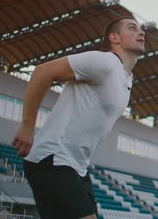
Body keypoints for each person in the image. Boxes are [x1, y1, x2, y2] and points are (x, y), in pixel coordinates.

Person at [11, 17, 146, 219]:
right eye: (133, 28)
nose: (142, 32)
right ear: (114, 37)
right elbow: (42, 71)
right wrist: (27, 125)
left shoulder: (126, 79)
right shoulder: (105, 61)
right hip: (52, 159)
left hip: (77, 167)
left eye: (142, 29)